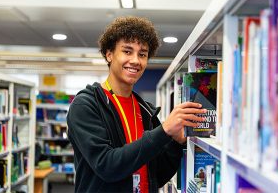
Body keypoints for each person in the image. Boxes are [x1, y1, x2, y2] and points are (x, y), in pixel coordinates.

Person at [67, 16, 206, 193]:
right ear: (109, 54)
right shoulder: (86, 105)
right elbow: (107, 165)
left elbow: (158, 175)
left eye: (142, 54)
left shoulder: (145, 110)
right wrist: (163, 131)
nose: (135, 60)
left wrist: (175, 143)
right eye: (127, 51)